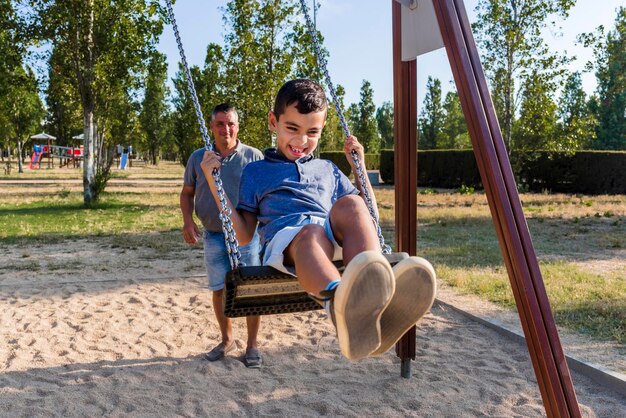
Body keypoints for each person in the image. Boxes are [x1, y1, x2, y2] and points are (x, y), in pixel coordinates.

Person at [201, 80, 436, 361]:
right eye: (293, 129)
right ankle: (340, 304)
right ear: (273, 122)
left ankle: (374, 295)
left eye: (312, 132)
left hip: (329, 236)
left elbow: (368, 215)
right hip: (288, 243)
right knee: (310, 233)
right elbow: (241, 235)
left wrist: (357, 169)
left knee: (351, 203)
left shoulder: (327, 169)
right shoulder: (257, 171)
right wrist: (214, 183)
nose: (302, 141)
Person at [180, 103, 265, 368]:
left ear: (238, 127)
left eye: (230, 123)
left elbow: (265, 195)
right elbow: (187, 193)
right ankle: (227, 339)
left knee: (250, 291)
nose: (225, 129)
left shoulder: (253, 157)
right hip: (214, 235)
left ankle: (252, 345)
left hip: (246, 239)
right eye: (220, 123)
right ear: (212, 126)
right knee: (218, 290)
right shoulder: (199, 158)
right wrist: (187, 221)